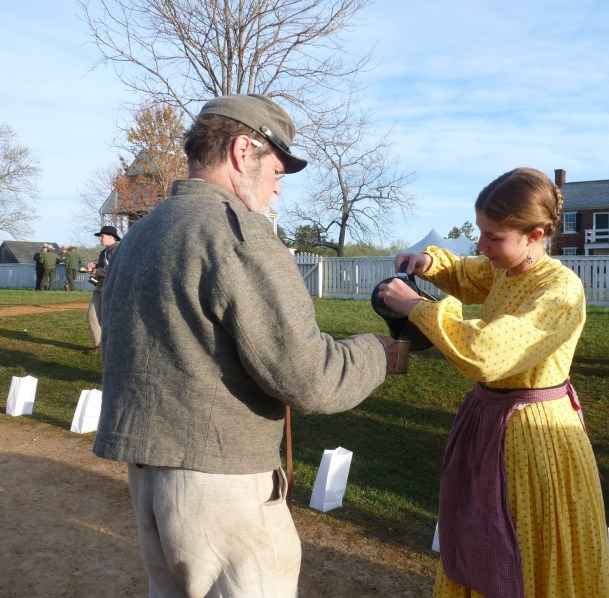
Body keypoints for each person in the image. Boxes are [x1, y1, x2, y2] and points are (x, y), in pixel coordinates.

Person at [92, 93, 398, 597]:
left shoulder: (141, 235)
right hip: (221, 485)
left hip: (148, 479)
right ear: (242, 151)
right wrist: (378, 353)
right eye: (277, 169)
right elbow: (309, 378)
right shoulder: (236, 235)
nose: (278, 189)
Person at [379, 168, 609, 597]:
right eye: (481, 233)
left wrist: (416, 307)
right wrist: (430, 263)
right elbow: (469, 275)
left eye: (494, 237)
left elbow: (486, 354)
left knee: (523, 547)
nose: (483, 246)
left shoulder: (559, 290)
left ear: (534, 234)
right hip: (492, 423)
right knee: (481, 538)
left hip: (535, 439)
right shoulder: (507, 268)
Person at [84, 226, 120, 354]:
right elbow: (103, 266)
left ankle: (112, 346)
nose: (100, 238)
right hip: (100, 286)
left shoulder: (118, 250)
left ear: (111, 237)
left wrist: (97, 271)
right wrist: (94, 265)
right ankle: (99, 346)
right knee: (92, 315)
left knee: (108, 318)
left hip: (111, 287)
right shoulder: (104, 252)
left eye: (102, 236)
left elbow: (115, 268)